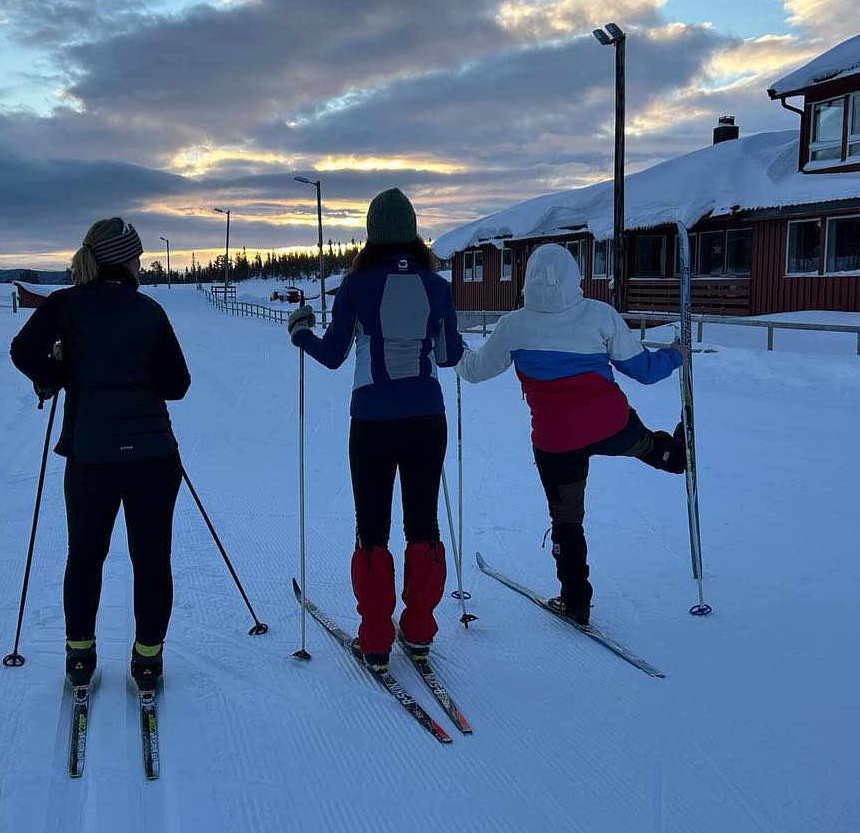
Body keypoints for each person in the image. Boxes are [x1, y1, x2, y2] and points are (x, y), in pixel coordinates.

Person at [455, 242, 685, 625]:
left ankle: (576, 603)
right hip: (611, 426)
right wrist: (676, 353)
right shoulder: (599, 315)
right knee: (645, 444)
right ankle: (674, 457)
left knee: (567, 520)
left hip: (556, 441)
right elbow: (644, 370)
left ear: (528, 280)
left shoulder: (514, 325)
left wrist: (458, 352)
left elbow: (476, 370)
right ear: (575, 276)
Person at [10, 217, 191, 691]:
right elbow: (177, 385)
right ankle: (148, 660)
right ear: (125, 261)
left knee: (85, 557)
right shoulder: (148, 310)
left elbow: (23, 351)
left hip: (92, 458)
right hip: (153, 457)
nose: (142, 264)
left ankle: (79, 657)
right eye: (138, 257)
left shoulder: (64, 305)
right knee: (152, 559)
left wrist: (59, 371)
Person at [287, 188, 463, 669]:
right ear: (412, 233)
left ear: (371, 234)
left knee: (372, 526)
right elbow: (449, 357)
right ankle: (421, 630)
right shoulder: (437, 286)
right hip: (428, 418)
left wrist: (301, 333)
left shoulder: (356, 285)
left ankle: (376, 638)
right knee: (423, 522)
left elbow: (332, 354)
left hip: (372, 421)